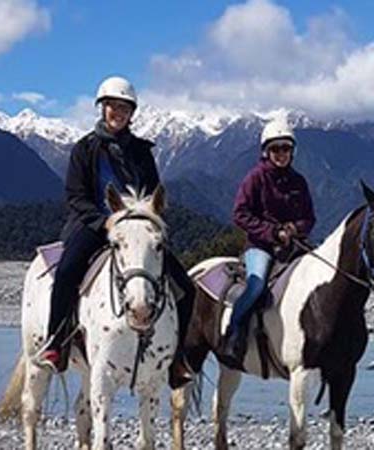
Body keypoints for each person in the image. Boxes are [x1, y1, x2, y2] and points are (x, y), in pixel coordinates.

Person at [37, 76, 195, 388]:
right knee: (68, 271)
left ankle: (177, 359)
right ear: (102, 108)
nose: (118, 113)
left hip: (135, 228)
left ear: (131, 113)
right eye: (112, 106)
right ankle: (56, 343)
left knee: (186, 287)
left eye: (124, 108)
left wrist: (147, 218)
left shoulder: (142, 152)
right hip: (94, 225)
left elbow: (153, 193)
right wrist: (103, 221)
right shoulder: (84, 149)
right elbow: (76, 196)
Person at [217, 118, 316, 369]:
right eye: (276, 149)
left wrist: (295, 228)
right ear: (266, 151)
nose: (281, 154)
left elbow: (309, 218)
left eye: (286, 148)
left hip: (293, 246)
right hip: (260, 246)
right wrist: (272, 232)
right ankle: (234, 333)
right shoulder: (255, 178)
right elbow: (240, 214)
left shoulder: (299, 181)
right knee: (257, 285)